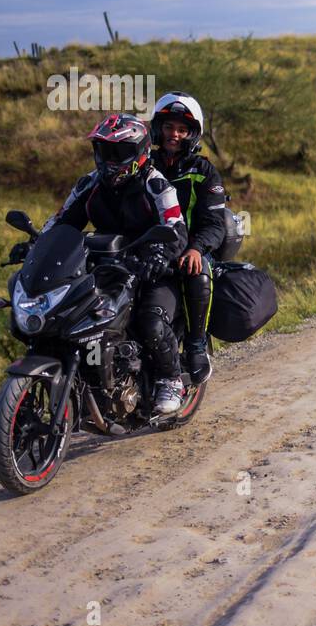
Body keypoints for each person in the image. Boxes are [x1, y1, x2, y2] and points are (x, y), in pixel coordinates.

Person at [41, 114, 190, 414]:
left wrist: (160, 254)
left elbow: (176, 227)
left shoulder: (156, 184)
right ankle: (90, 382)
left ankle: (171, 379)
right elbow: (61, 222)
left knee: (150, 321)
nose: (110, 160)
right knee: (71, 320)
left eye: (118, 152)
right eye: (104, 150)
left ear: (140, 152)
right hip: (104, 267)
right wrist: (38, 245)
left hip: (152, 268)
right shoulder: (89, 184)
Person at [147, 92, 228, 385]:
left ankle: (195, 345)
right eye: (169, 127)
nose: (174, 134)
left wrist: (196, 248)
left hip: (189, 249)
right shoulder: (144, 164)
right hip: (149, 249)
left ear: (192, 134)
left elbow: (215, 224)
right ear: (158, 128)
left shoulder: (203, 171)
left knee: (197, 268)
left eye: (182, 130)